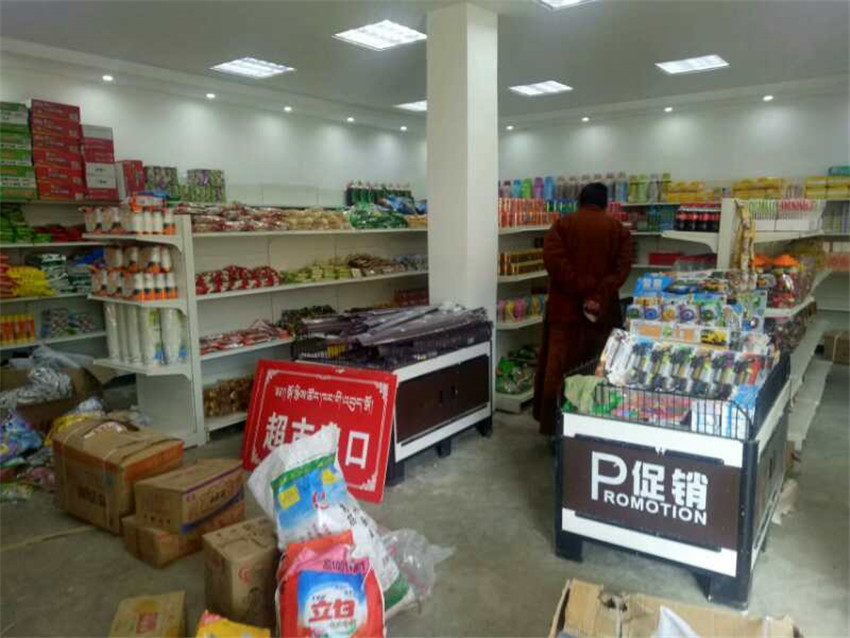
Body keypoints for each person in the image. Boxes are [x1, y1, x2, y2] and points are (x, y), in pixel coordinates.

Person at [533, 182, 633, 437]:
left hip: (564, 315)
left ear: (579, 201)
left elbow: (555, 263)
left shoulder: (562, 226)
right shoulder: (618, 230)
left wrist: (582, 289)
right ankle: (592, 431)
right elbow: (621, 270)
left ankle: (556, 429)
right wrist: (597, 296)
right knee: (597, 372)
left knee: (559, 371)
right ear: (605, 203)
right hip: (603, 316)